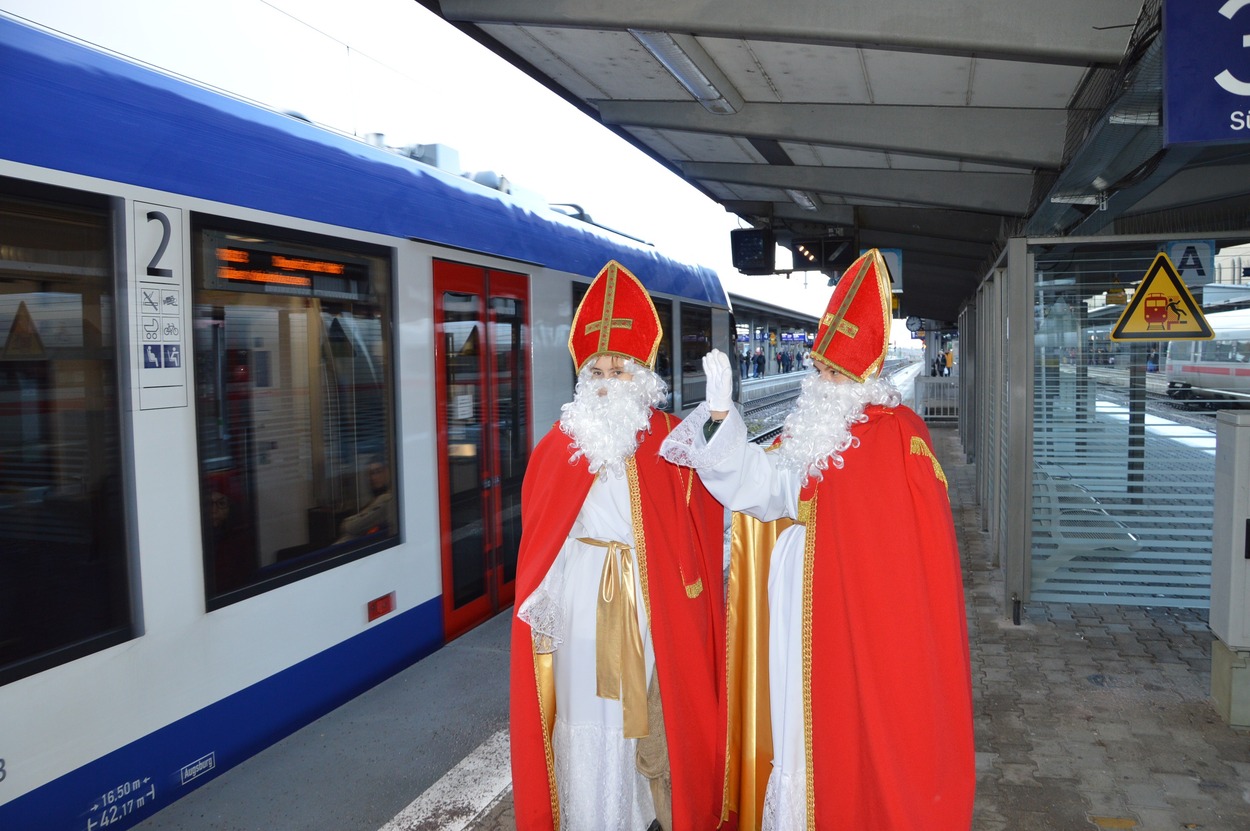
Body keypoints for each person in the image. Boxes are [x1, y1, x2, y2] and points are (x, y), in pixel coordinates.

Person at [661, 249, 974, 830]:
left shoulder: (899, 439)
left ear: (865, 378)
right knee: (798, 732)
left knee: (854, 735)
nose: (821, 383)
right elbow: (761, 486)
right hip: (797, 618)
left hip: (864, 629)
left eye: (835, 373)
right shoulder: (812, 438)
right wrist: (722, 419)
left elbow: (914, 564)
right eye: (821, 370)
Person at [509, 260, 728, 831]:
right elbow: (542, 539)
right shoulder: (559, 444)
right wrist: (542, 602)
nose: (607, 380)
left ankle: (640, 812)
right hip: (581, 604)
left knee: (649, 717)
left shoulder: (670, 440)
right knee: (585, 716)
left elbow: (702, 523)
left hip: (648, 605)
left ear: (644, 374)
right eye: (597, 369)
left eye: (620, 369)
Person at [336, 458, 396, 541]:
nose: (373, 478)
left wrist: (346, 522)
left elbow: (351, 527)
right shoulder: (375, 499)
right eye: (370, 474)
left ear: (388, 472)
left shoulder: (387, 499)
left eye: (378, 472)